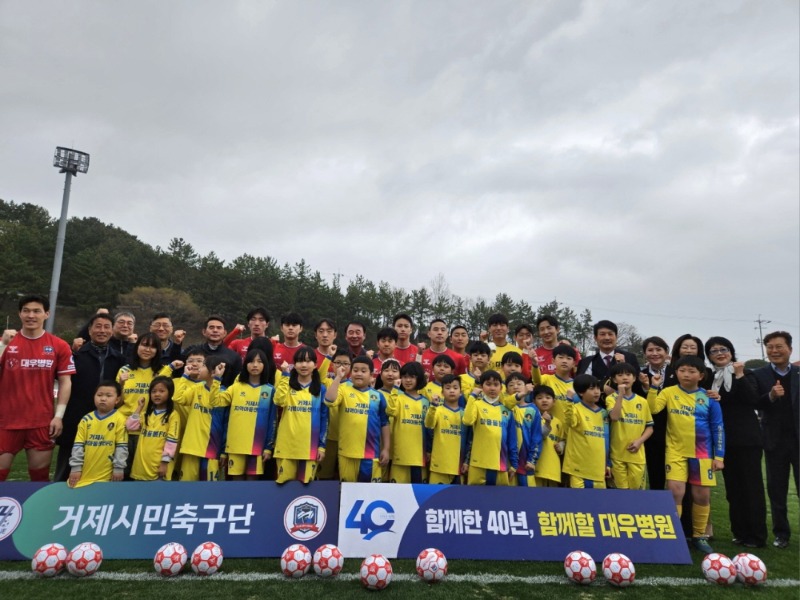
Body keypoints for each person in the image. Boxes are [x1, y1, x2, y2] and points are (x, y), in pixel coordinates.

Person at [647, 356, 725, 553]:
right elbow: (653, 408)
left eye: (691, 371)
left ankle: (699, 536)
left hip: (702, 454)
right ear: (677, 373)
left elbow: (718, 428)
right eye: (682, 370)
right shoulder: (669, 392)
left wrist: (719, 456)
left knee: (702, 496)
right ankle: (674, 535)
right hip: (675, 452)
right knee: (675, 493)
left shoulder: (709, 398)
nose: (686, 374)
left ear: (701, 375)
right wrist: (654, 387)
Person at [0, 294, 75, 482]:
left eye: (36, 311)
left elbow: (65, 382)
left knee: (40, 478)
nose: (31, 315)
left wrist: (58, 416)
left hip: (41, 422)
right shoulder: (7, 343)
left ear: (47, 314)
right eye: (26, 311)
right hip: (6, 422)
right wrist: (3, 345)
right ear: (19, 314)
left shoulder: (59, 345)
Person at [704, 336, 766, 548]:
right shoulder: (713, 378)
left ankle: (757, 536)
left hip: (748, 440)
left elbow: (752, 400)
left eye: (724, 349)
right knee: (733, 489)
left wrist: (739, 375)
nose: (720, 353)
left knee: (752, 488)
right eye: (714, 351)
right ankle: (739, 532)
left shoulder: (746, 373)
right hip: (724, 441)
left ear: (731, 352)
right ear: (709, 356)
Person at [55, 312, 126, 482]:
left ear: (112, 330)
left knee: (104, 471)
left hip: (107, 424)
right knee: (66, 470)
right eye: (98, 326)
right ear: (89, 330)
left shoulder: (120, 359)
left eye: (107, 327)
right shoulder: (76, 355)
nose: (102, 330)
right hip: (76, 420)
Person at [752, 331, 799, 549]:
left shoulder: (798, 373)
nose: (774, 351)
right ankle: (781, 534)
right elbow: (755, 402)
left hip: (798, 440)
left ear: (789, 348)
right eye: (770, 347)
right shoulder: (760, 374)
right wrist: (770, 396)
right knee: (777, 490)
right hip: (774, 441)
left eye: (779, 346)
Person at [117, 333, 180, 478]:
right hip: (124, 428)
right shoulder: (124, 371)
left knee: (143, 474)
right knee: (122, 472)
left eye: (153, 347)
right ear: (136, 346)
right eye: (144, 345)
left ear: (158, 350)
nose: (148, 349)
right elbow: (118, 403)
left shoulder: (162, 371)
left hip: (149, 431)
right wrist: (120, 384)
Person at [212, 349, 278, 481]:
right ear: (245, 364)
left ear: (265, 365)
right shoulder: (236, 387)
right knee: (237, 485)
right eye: (251, 361)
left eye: (259, 362)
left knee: (252, 486)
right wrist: (217, 379)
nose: (255, 365)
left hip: (257, 446)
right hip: (236, 445)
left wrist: (268, 447)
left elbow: (272, 421)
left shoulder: (270, 390)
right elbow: (215, 401)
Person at [325, 356, 390, 483]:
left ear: (371, 375)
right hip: (346, 453)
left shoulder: (378, 396)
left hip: (371, 455)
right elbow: (329, 399)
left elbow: (384, 423)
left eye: (363, 371)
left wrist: (386, 449)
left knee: (370, 494)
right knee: (347, 492)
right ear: (351, 373)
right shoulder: (343, 390)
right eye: (355, 370)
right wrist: (338, 377)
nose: (359, 373)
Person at [274, 346, 329, 484]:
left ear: (315, 365)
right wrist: (285, 376)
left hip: (309, 448)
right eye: (299, 361)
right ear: (294, 365)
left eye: (308, 361)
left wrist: (322, 446)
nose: (304, 365)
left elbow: (324, 419)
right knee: (283, 488)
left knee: (306, 489)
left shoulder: (320, 389)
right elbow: (278, 401)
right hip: (287, 447)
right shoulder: (287, 384)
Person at [173, 355, 227, 481]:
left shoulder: (224, 393)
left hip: (211, 449)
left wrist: (223, 450)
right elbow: (178, 398)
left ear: (213, 372)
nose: (199, 368)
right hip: (191, 447)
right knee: (187, 488)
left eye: (203, 366)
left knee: (209, 491)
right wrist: (185, 376)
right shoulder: (197, 388)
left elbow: (225, 424)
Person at [462, 370, 518, 486]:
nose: (492, 388)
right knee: (475, 501)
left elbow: (512, 440)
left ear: (501, 388)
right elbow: (467, 421)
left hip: (500, 464)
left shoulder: (507, 410)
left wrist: (514, 464)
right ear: (482, 386)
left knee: (499, 502)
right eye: (488, 384)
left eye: (496, 384)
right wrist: (472, 396)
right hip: (478, 464)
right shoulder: (476, 404)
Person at [68, 381, 128, 488]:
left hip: (108, 477)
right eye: (99, 395)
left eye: (108, 396)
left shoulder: (120, 420)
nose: (103, 398)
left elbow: (121, 447)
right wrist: (76, 468)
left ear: (117, 400)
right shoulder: (86, 420)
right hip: (85, 474)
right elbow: (78, 446)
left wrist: (119, 468)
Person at [606, 362, 654, 490]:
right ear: (614, 380)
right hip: (617, 455)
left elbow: (649, 427)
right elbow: (614, 417)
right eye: (620, 375)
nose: (625, 378)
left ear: (634, 378)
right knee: (620, 494)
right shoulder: (611, 399)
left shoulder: (642, 402)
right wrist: (620, 395)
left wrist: (639, 441)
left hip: (637, 455)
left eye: (628, 374)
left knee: (637, 494)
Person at [126, 376, 181, 481]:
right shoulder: (146, 414)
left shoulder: (173, 415)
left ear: (170, 393)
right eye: (153, 391)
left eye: (161, 391)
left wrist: (164, 463)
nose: (157, 394)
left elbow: (172, 440)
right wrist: (139, 407)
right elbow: (130, 426)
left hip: (159, 467)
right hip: (140, 467)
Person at [562, 374, 610, 489]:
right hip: (578, 469)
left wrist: (608, 463)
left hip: (598, 470)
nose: (597, 392)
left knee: (598, 505)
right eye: (592, 389)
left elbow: (607, 439)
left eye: (598, 388)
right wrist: (568, 400)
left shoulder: (603, 413)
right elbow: (569, 421)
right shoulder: (576, 409)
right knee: (579, 505)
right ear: (581, 392)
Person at [387, 361, 430, 484]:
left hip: (419, 456)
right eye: (405, 377)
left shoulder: (426, 402)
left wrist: (428, 450)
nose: (408, 380)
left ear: (419, 378)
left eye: (412, 377)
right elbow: (391, 411)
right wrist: (395, 390)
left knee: (418, 494)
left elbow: (429, 428)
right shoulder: (398, 397)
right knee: (397, 494)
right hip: (400, 454)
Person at [638, 336, 670, 491]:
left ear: (666, 352)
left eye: (659, 349)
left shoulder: (677, 372)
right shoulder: (640, 375)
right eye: (650, 350)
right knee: (655, 473)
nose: (655, 353)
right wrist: (646, 387)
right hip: (651, 430)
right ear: (645, 354)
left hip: (676, 429)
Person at [425, 374, 468, 484]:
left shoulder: (465, 414)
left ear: (461, 392)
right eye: (448, 388)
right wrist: (433, 406)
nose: (452, 391)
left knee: (457, 500)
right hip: (439, 465)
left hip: (458, 466)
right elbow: (429, 424)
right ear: (442, 392)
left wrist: (467, 461)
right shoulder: (437, 410)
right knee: (436, 499)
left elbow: (469, 440)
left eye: (455, 388)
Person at [317, 349, 351, 481]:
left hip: (346, 438)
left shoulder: (353, 386)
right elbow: (319, 376)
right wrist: (329, 356)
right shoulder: (328, 382)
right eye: (337, 363)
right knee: (325, 474)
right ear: (332, 365)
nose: (341, 366)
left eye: (345, 363)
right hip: (329, 437)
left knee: (344, 476)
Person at [184, 315, 242, 389]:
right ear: (204, 332)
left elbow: (236, 383)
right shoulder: (192, 351)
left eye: (219, 328)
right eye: (211, 327)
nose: (215, 330)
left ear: (224, 333)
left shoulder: (233, 356)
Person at [576, 320, 640, 386]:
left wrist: (623, 366)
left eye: (610, 334)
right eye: (602, 334)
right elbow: (580, 386)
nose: (607, 338)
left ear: (616, 337)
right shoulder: (586, 362)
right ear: (595, 338)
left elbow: (637, 385)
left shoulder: (630, 358)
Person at [508, 373, 543, 487]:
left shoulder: (532, 410)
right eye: (511, 384)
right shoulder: (504, 407)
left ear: (526, 386)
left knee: (528, 500)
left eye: (519, 384)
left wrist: (532, 460)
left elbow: (536, 437)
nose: (515, 387)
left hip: (525, 462)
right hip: (507, 463)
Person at [531, 385, 564, 487]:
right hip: (536, 468)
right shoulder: (531, 418)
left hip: (553, 469)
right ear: (534, 402)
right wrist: (547, 424)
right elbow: (540, 435)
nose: (544, 400)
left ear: (554, 401)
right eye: (540, 398)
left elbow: (562, 440)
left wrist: (561, 446)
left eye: (548, 398)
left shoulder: (558, 422)